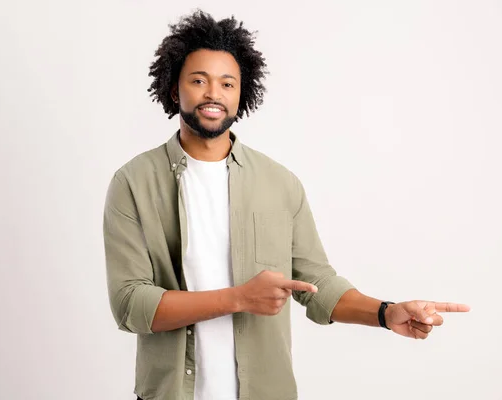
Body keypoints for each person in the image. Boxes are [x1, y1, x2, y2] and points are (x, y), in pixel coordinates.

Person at [102, 9, 470, 400]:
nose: (214, 93)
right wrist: (240, 298)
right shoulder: (134, 183)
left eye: (227, 83)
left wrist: (386, 312)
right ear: (175, 90)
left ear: (241, 93)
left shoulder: (280, 184)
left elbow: (319, 285)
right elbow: (130, 304)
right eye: (199, 80)